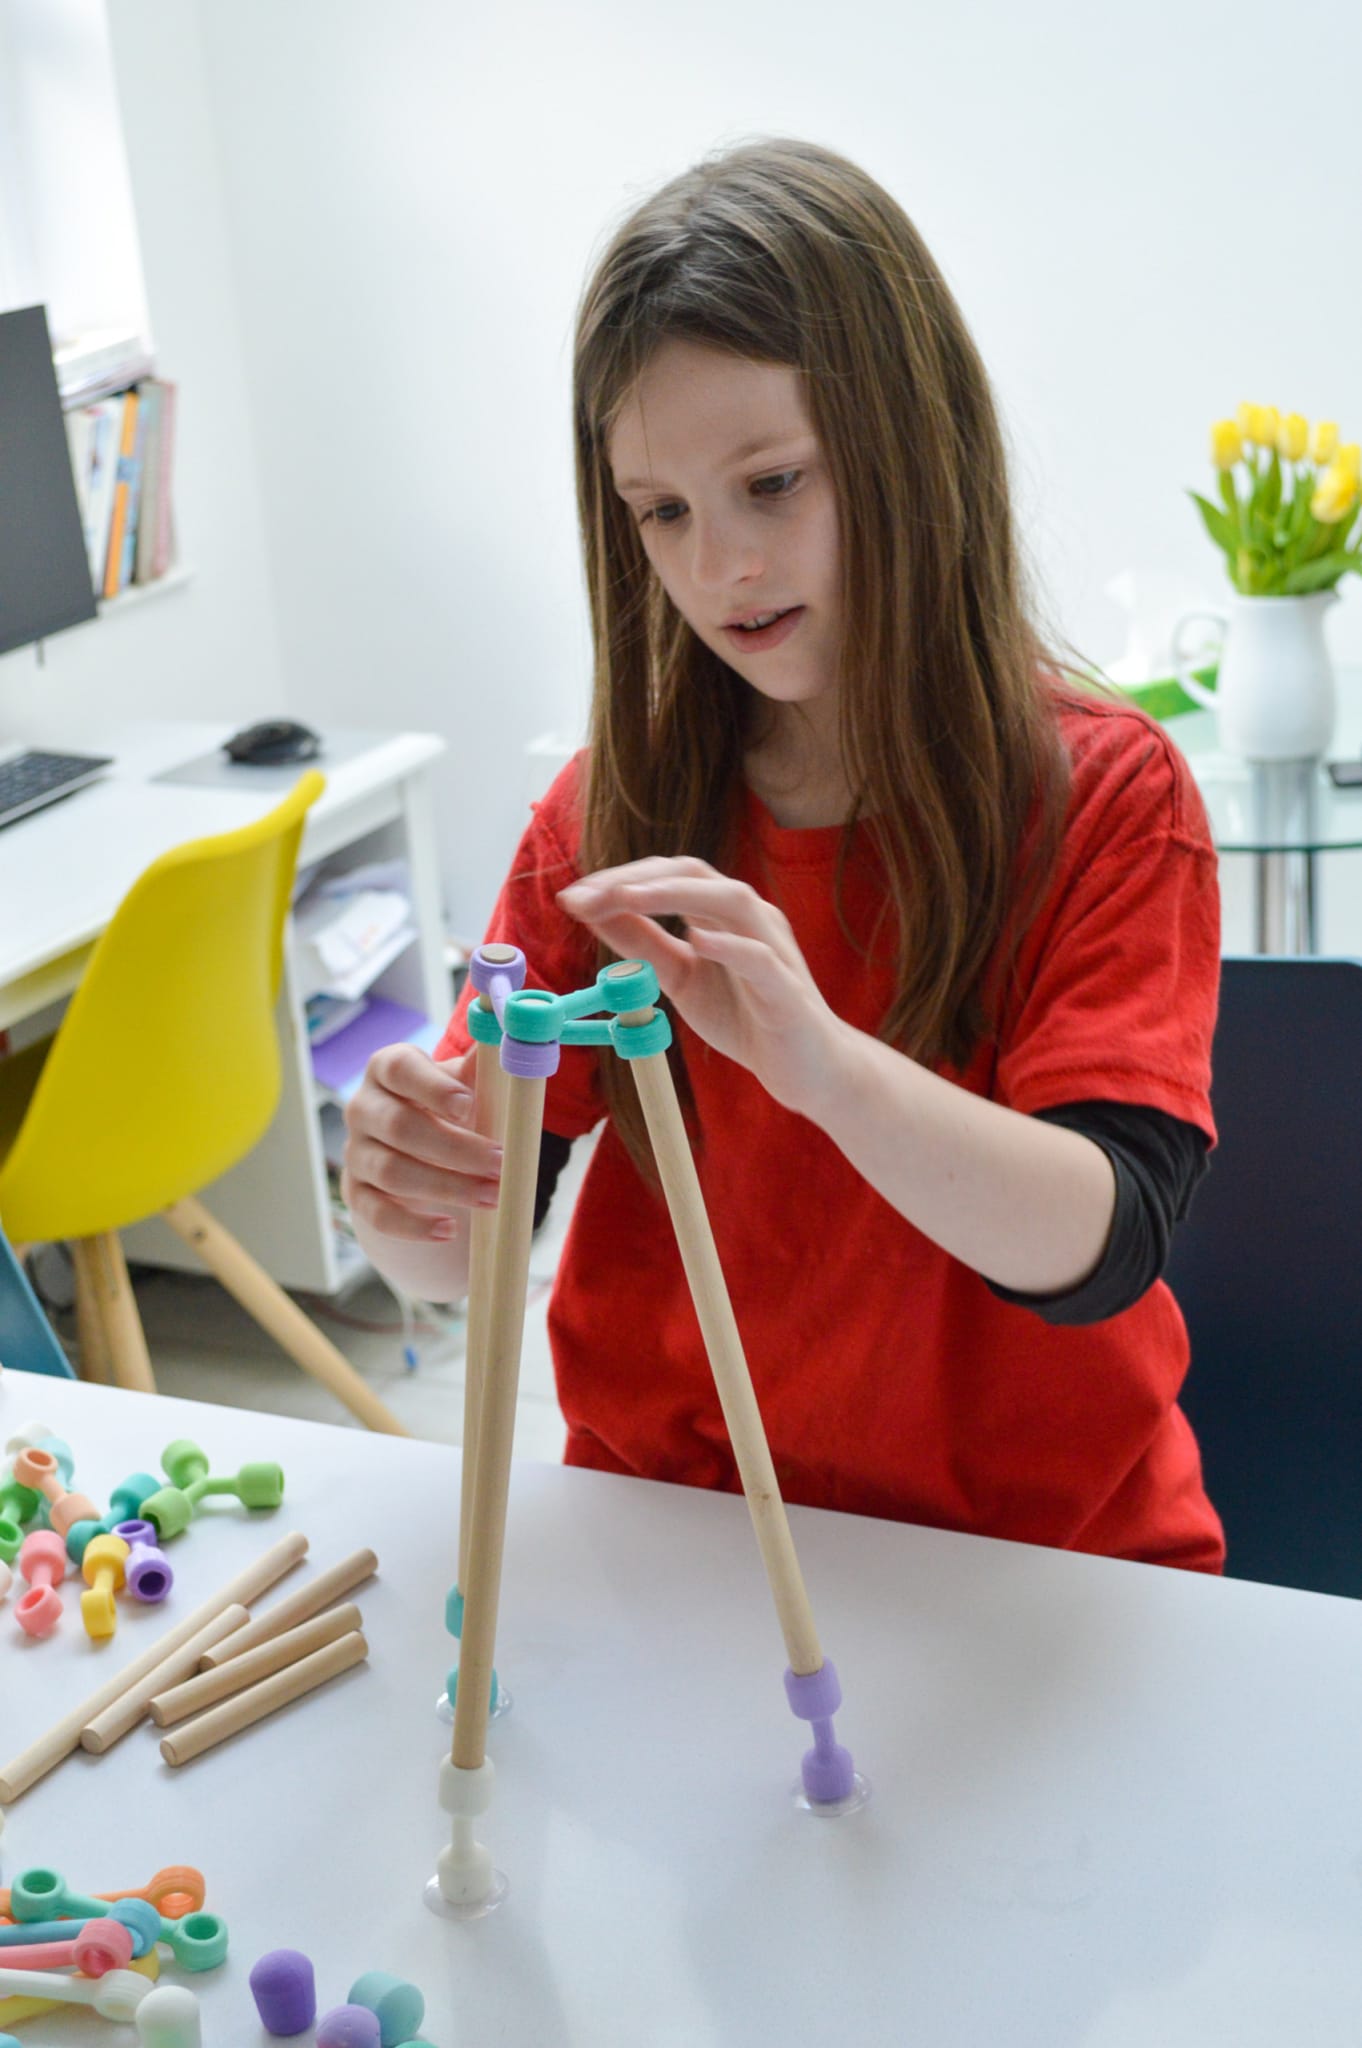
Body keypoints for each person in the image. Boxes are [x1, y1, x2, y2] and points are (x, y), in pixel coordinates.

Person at [343, 136, 1225, 1572]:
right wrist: (403, 1202)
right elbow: (463, 1256)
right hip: (681, 1543)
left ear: (908, 445)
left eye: (772, 484)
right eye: (662, 514)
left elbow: (1098, 1240)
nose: (719, 567)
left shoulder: (1107, 796)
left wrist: (818, 1066)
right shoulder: (600, 820)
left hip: (1034, 1561)